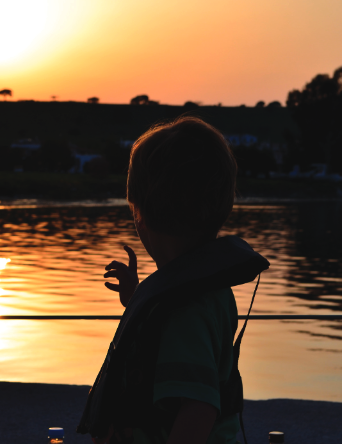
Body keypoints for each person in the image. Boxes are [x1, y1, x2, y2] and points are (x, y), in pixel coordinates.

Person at [77, 116, 269, 444]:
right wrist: (137, 299)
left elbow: (198, 408)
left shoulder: (186, 306)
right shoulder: (200, 288)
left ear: (140, 214)